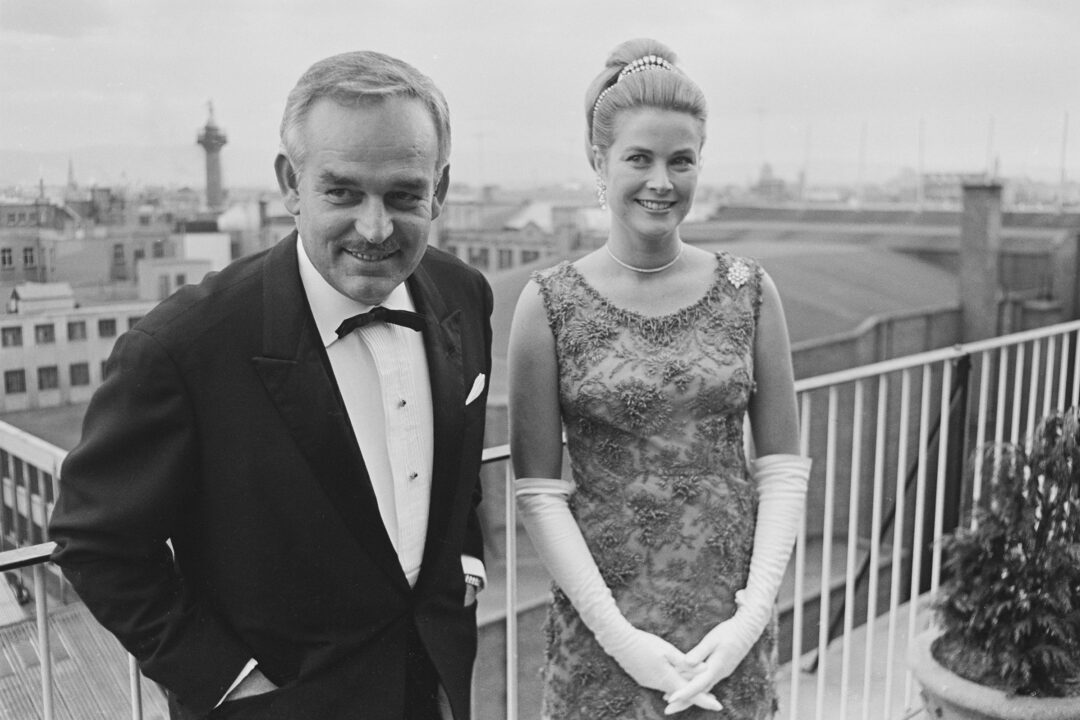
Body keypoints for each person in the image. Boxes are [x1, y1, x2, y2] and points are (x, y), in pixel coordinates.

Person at [49, 50, 492, 720]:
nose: (374, 228)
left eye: (403, 194)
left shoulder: (464, 293)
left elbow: (458, 467)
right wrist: (230, 683)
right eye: (343, 191)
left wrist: (466, 562)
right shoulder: (182, 345)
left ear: (442, 187)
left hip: (433, 681)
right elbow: (97, 543)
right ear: (290, 182)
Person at [508, 38, 811, 719]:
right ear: (599, 161)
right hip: (604, 628)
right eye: (639, 159)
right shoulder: (547, 304)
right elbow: (537, 492)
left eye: (681, 161)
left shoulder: (750, 291)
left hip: (725, 626)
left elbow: (783, 468)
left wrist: (749, 620)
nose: (661, 182)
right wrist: (619, 639)